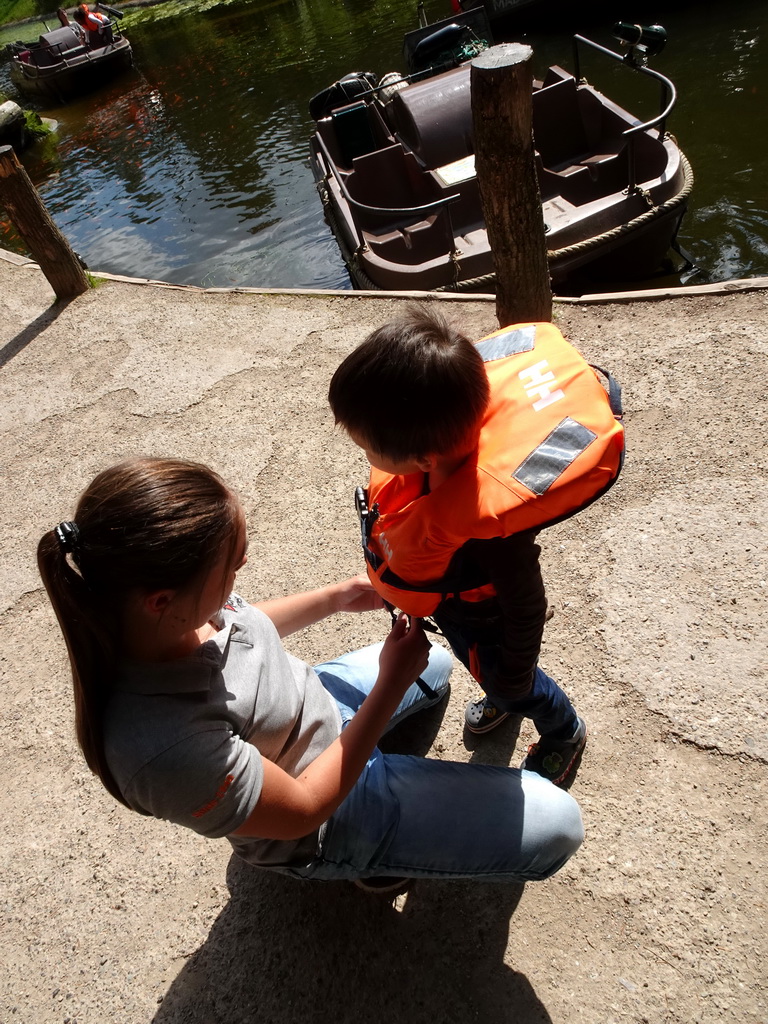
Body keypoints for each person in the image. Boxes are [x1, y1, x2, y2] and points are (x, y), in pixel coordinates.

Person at [38, 457, 583, 890]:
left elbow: (242, 627)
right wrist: (391, 681)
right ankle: (364, 857)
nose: (242, 571)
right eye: (232, 565)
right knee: (559, 825)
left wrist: (334, 598)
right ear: (162, 601)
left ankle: (397, 801)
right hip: (319, 814)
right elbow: (302, 811)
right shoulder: (159, 750)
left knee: (435, 663)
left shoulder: (160, 618)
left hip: (310, 709)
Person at [328, 305, 616, 787]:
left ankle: (562, 729)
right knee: (490, 673)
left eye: (366, 449)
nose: (366, 458)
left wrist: (515, 677)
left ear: (421, 458)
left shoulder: (488, 527)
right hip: (456, 609)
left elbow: (526, 604)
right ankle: (503, 694)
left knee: (510, 681)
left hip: (488, 621)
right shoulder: (440, 456)